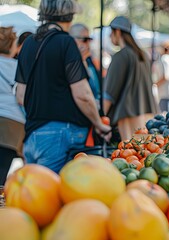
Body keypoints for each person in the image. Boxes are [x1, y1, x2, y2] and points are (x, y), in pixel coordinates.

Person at [15, 0, 111, 173]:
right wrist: (98, 123)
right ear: (70, 15)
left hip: (32, 136)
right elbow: (82, 94)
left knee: (34, 194)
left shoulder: (28, 43)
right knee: (55, 196)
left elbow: (20, 96)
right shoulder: (66, 42)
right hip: (60, 135)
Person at [103, 16, 158, 140]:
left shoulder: (121, 56)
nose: (109, 36)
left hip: (128, 114)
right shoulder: (143, 55)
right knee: (146, 153)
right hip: (148, 112)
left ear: (117, 31)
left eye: (111, 32)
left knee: (130, 155)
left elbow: (110, 94)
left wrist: (101, 118)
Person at [0, 27, 25, 184]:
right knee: (2, 172)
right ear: (12, 46)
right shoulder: (19, 67)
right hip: (13, 125)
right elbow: (22, 97)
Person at [69, 23, 101, 109]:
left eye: (89, 40)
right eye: (85, 39)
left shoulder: (89, 62)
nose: (88, 44)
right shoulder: (70, 66)